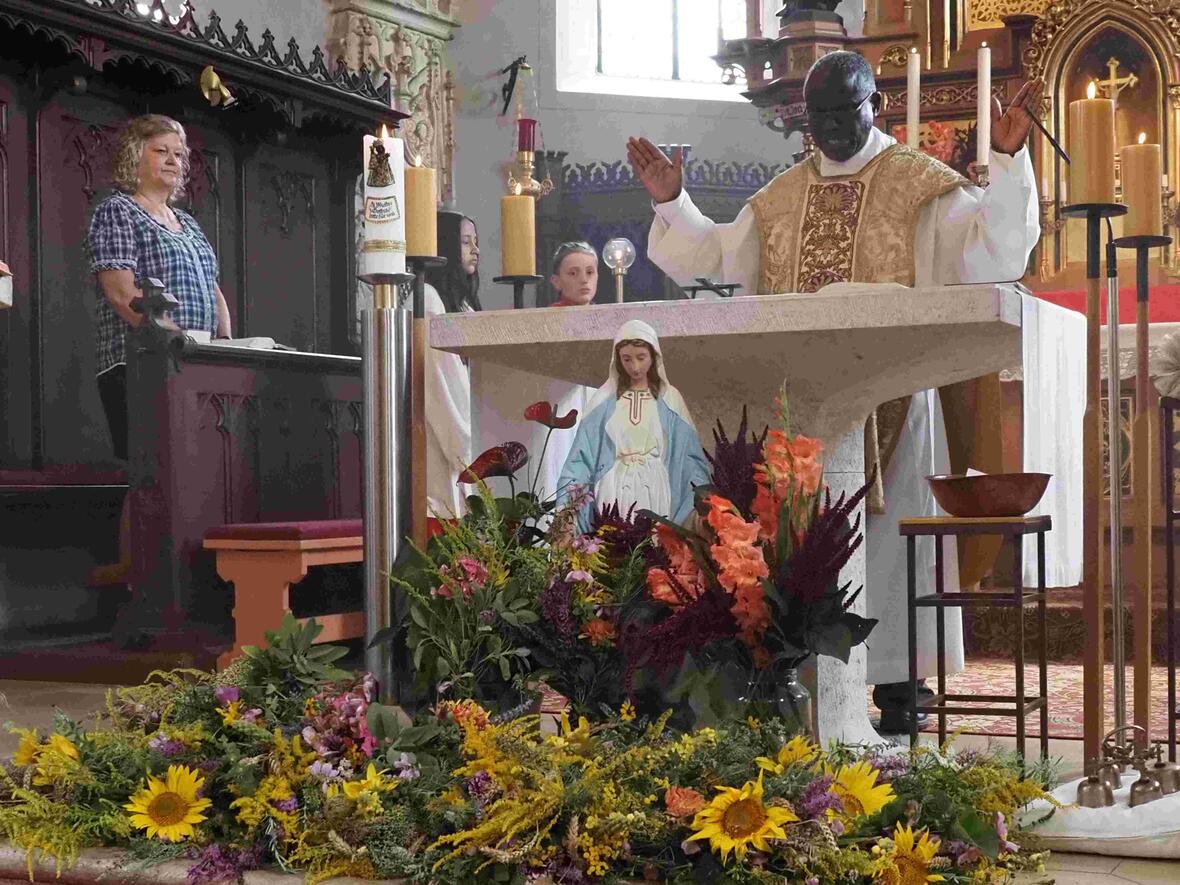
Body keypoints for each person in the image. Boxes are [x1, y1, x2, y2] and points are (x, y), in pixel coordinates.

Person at [626, 51, 1042, 733]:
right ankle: (802, 675)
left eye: (844, 113)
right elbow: (718, 258)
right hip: (802, 407)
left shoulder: (921, 185)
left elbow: (996, 254)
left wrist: (1006, 158)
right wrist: (673, 202)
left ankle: (902, 681)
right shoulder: (781, 199)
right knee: (807, 535)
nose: (831, 128)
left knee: (892, 535)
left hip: (894, 397)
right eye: (818, 117)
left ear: (876, 104)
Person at [87, 114, 231, 596]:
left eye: (179, 154)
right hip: (140, 362)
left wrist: (226, 349)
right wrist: (170, 342)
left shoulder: (187, 223)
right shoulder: (118, 211)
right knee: (150, 473)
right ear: (136, 155)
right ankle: (141, 583)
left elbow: (213, 291)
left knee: (192, 474)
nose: (173, 160)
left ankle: (183, 581)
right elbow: (119, 290)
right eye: (161, 150)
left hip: (196, 366)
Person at [558, 319, 710, 534]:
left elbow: (689, 458)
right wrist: (566, 509)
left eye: (641, 357)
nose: (635, 367)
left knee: (655, 544)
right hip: (613, 489)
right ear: (618, 360)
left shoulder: (670, 400)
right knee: (614, 544)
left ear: (653, 357)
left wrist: (702, 503)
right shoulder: (603, 401)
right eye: (627, 359)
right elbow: (581, 458)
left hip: (655, 488)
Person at [530, 242, 600, 500]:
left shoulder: (607, 318)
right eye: (573, 273)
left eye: (590, 272)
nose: (584, 279)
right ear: (556, 281)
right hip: (562, 408)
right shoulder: (545, 322)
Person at [421, 210, 479, 520]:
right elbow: (442, 379)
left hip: (468, 425)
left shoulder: (463, 303)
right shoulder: (429, 299)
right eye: (466, 242)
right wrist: (468, 445)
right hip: (444, 433)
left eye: (476, 241)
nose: (476, 250)